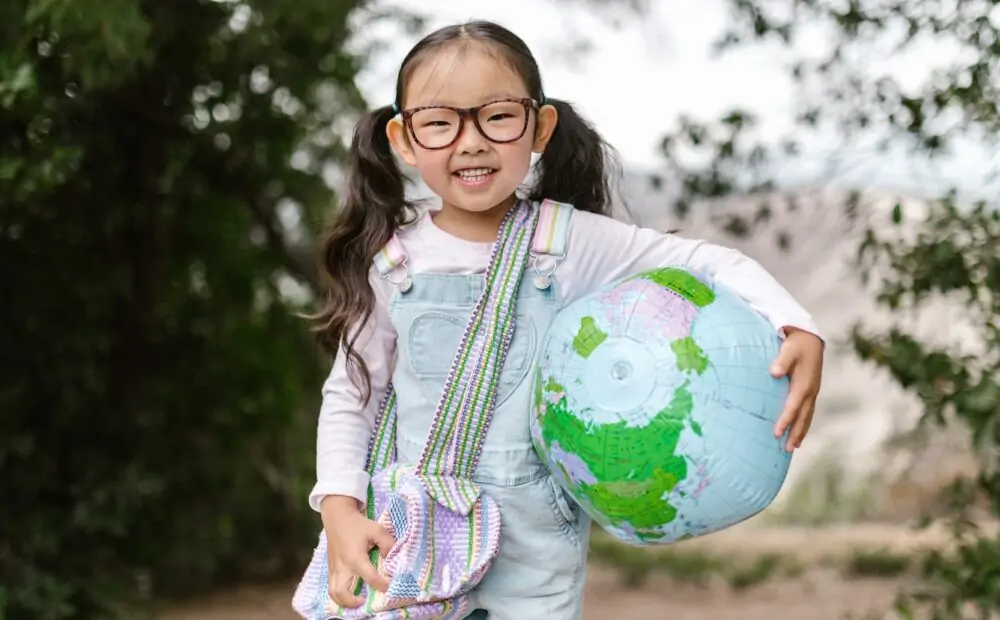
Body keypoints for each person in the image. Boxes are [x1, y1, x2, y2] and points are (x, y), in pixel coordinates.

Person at [308, 19, 824, 620]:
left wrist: (796, 324)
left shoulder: (568, 240)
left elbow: (702, 260)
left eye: (497, 116)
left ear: (540, 127)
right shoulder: (393, 259)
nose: (470, 141)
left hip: (535, 553)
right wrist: (340, 509)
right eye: (440, 122)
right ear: (403, 139)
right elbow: (352, 393)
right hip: (411, 539)